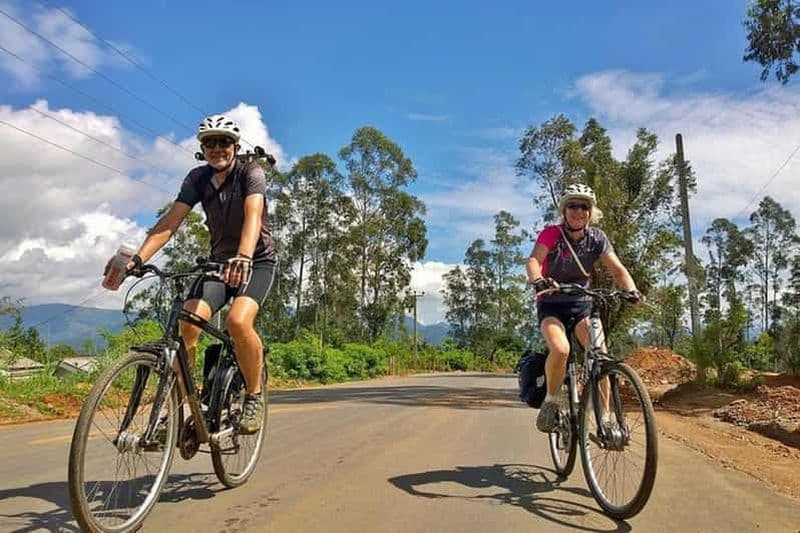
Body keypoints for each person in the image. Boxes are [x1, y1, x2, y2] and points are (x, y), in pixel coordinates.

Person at [106, 114, 277, 434]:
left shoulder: (249, 173)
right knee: (187, 320)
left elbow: (253, 214)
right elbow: (170, 222)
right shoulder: (197, 179)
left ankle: (253, 396)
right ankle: (190, 403)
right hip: (218, 264)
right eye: (209, 142)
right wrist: (138, 259)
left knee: (238, 321)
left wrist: (243, 256)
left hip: (256, 261)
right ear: (202, 148)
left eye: (223, 142)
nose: (216, 148)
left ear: (235, 147)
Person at [526, 183, 641, 433]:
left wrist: (630, 290)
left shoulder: (597, 238)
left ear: (591, 211)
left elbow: (618, 269)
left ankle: (606, 418)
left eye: (584, 207)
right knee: (561, 349)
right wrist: (539, 281)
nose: (578, 211)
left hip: (581, 305)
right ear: (564, 210)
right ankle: (551, 402)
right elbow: (535, 260)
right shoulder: (552, 234)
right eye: (573, 206)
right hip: (551, 304)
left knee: (599, 352)